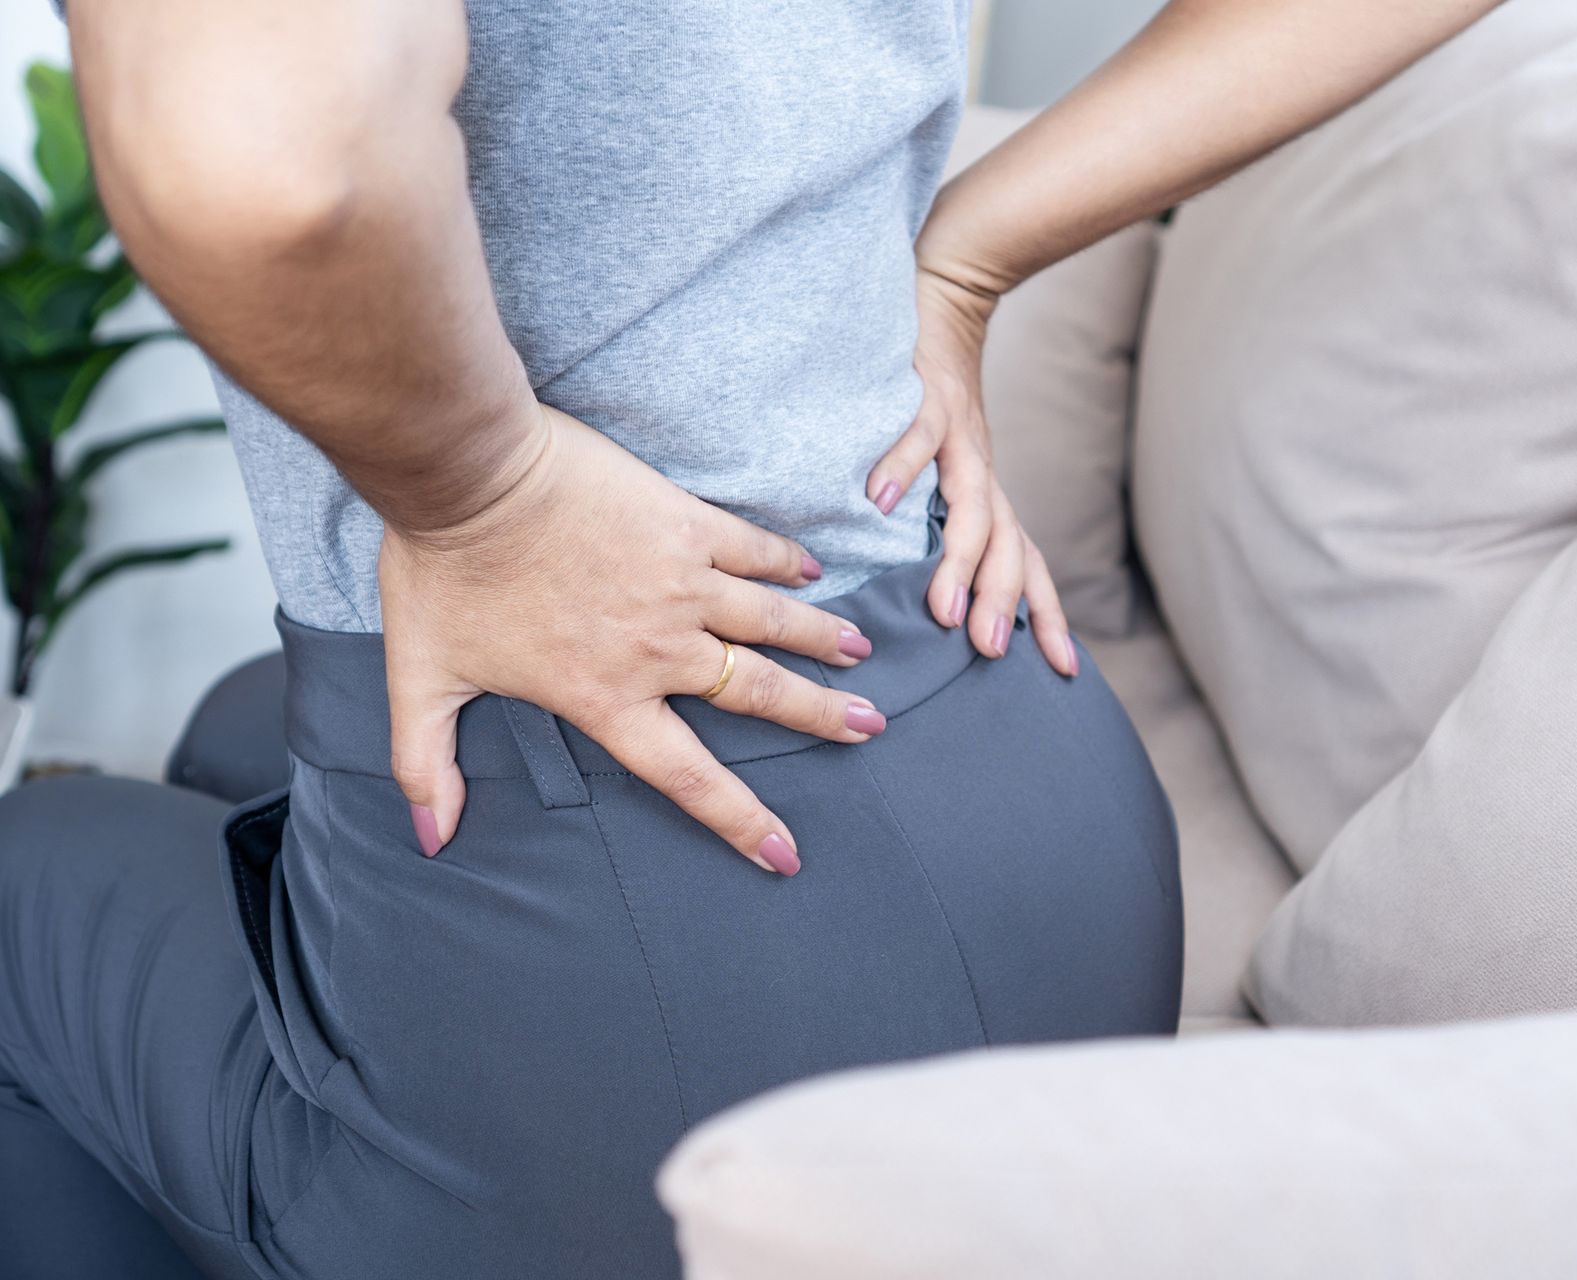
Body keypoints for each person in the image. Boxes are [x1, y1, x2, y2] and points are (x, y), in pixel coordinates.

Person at [0, 1, 1500, 1276]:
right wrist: (964, 254)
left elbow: (252, 159)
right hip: (1038, 779)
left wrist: (488, 501)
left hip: (655, 982)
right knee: (231, 734)